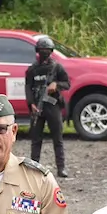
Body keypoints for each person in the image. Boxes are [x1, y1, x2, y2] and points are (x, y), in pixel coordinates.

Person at [23, 35, 72, 178]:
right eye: (42, 50)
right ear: (37, 51)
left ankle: (61, 168)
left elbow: (67, 83)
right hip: (37, 108)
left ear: (51, 51)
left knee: (58, 138)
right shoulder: (32, 69)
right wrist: (31, 103)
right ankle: (33, 168)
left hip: (53, 106)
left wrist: (56, 85)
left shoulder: (57, 67)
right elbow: (28, 87)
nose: (45, 53)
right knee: (36, 140)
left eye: (47, 50)